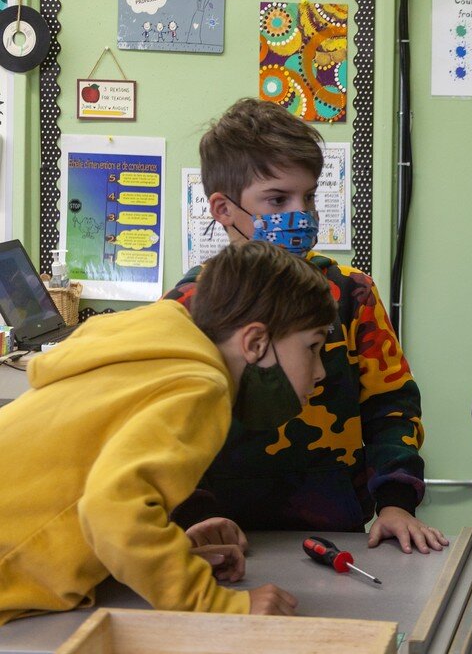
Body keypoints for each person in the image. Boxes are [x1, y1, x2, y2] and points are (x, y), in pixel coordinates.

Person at [0, 241, 337, 623]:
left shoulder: (160, 351)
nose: (320, 370)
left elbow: (86, 489)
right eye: (312, 347)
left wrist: (170, 554)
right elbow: (112, 509)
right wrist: (217, 605)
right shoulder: (201, 386)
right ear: (256, 343)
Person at [167, 98, 446, 554]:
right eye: (278, 199)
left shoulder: (351, 293)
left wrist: (396, 503)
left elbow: (392, 403)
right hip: (217, 536)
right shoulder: (187, 307)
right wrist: (197, 516)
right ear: (223, 208)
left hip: (334, 531)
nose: (302, 213)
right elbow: (164, 432)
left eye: (310, 196)